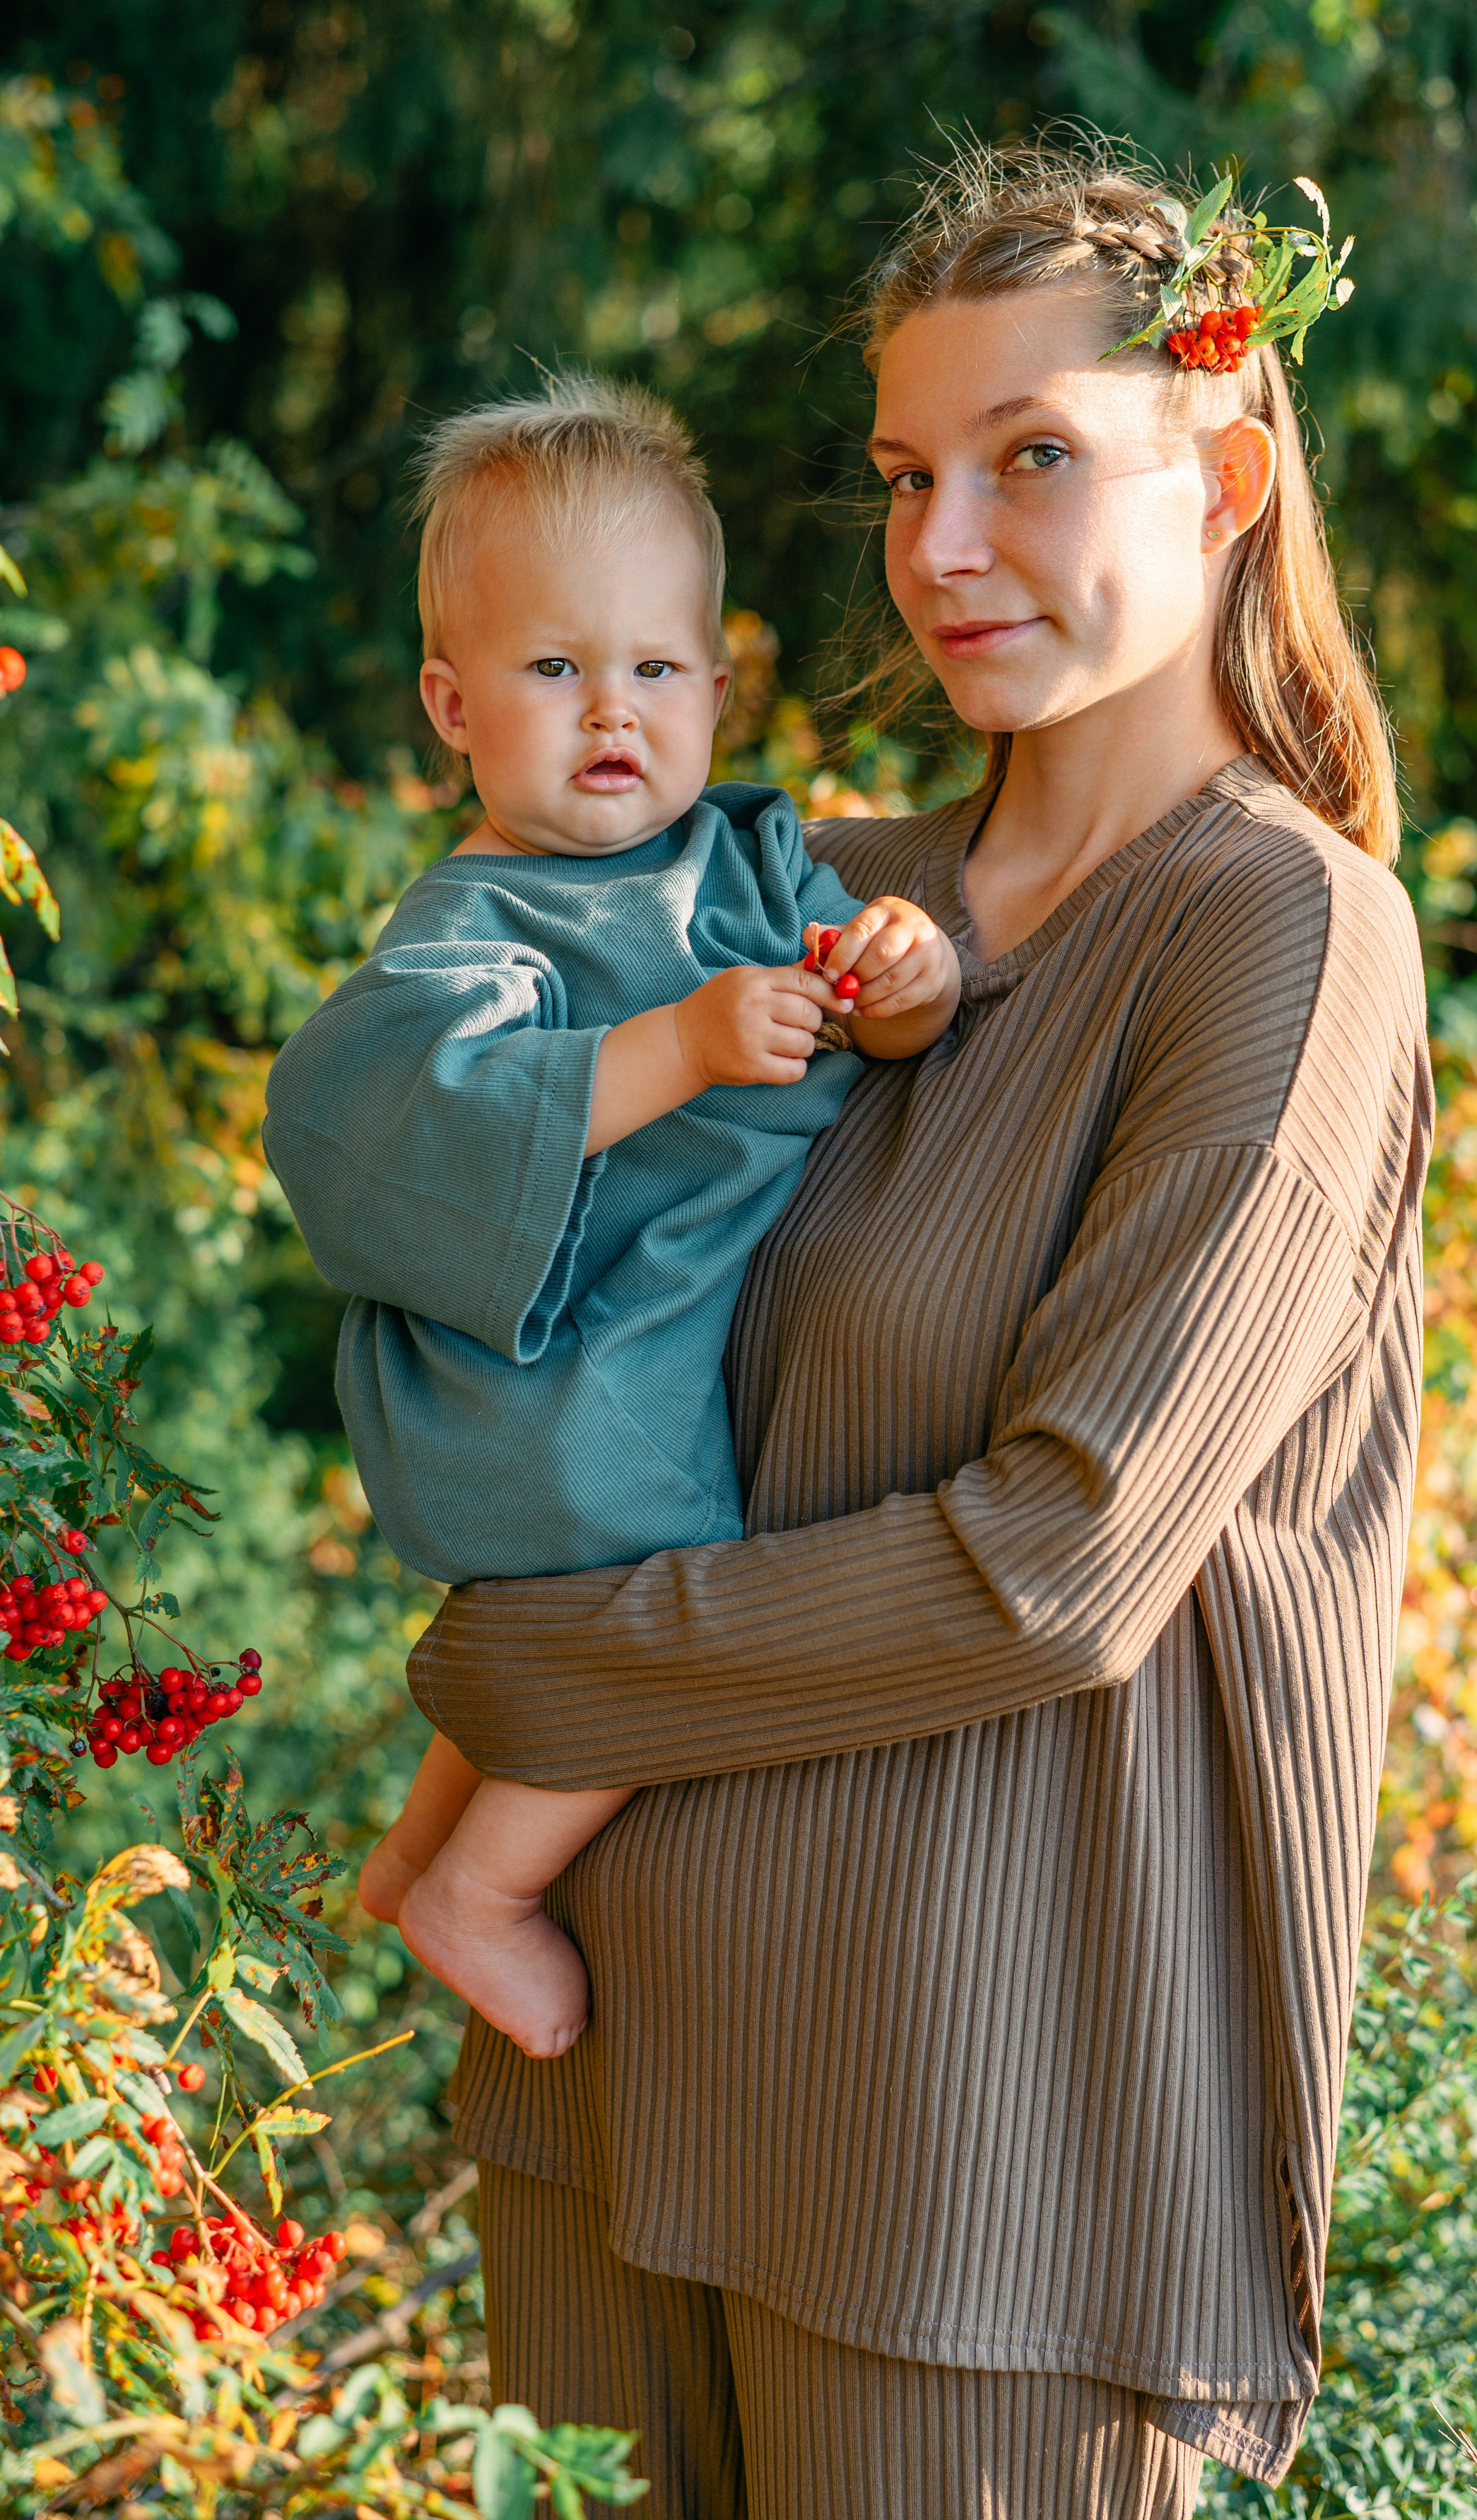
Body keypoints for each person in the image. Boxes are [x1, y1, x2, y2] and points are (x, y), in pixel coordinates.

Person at [407, 133, 1433, 2520]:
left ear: (1231, 479)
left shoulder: (1285, 937)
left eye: (1034, 461)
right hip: (602, 2068)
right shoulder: (802, 891)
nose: (941, 542)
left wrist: (530, 1675)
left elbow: (1064, 1557)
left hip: (970, 2164)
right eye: (904, 474)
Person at [263, 377, 960, 2061]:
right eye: (553, 668)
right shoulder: (479, 908)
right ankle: (481, 1893)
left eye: (653, 667)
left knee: (562, 1624)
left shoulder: (746, 856)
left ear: (717, 687)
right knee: (657, 1605)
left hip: (658, 1320)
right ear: (451, 701)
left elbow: (871, 1008)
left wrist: (905, 974)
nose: (610, 713)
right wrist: (679, 1042)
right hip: (561, 1353)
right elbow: (405, 1103)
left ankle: (421, 1843)